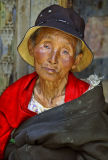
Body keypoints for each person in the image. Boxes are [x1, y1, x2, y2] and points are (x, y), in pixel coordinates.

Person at [0, 4, 108, 160]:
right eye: (46, 46)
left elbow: (99, 151)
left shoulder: (86, 99)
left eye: (65, 51)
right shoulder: (14, 97)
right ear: (32, 47)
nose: (52, 59)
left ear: (76, 60)